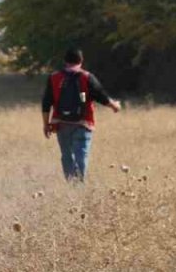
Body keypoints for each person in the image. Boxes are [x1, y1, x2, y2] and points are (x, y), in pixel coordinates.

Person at [41, 48, 122, 182]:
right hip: (83, 123)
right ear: (81, 61)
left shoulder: (54, 78)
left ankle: (71, 183)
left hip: (61, 123)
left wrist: (46, 124)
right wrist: (114, 106)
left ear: (64, 61)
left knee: (67, 155)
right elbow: (101, 96)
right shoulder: (87, 77)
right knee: (81, 155)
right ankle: (78, 185)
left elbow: (46, 103)